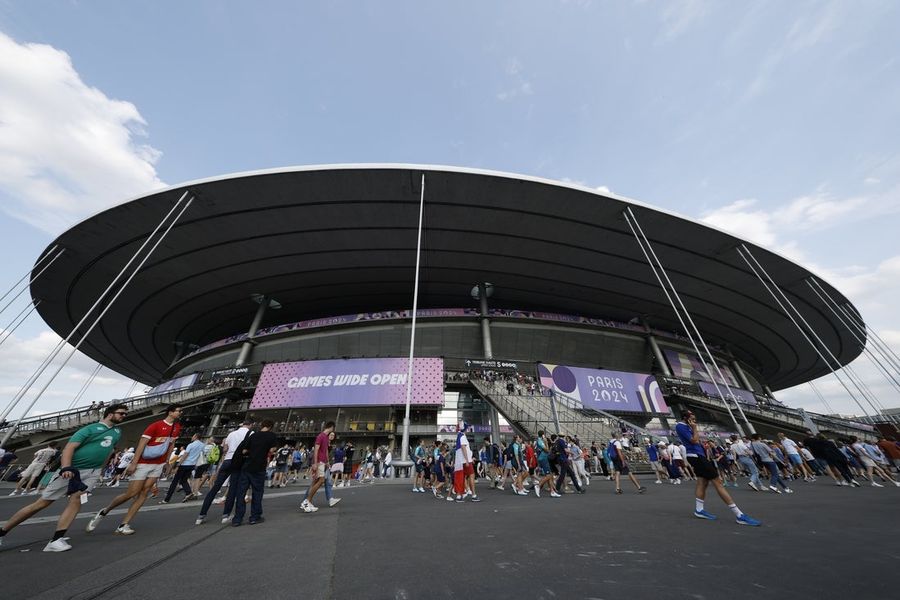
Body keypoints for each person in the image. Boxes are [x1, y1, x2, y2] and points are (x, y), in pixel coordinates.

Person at [0, 404, 127, 552]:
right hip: (73, 470)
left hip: (92, 472)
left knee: (76, 500)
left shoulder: (117, 431)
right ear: (110, 414)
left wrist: (100, 469)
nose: (124, 416)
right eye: (121, 413)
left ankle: (56, 539)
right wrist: (66, 467)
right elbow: (69, 448)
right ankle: (3, 531)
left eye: (125, 414)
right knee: (42, 503)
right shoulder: (89, 429)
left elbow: (109, 450)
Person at [86, 404, 183, 536]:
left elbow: (171, 445)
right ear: (170, 412)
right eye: (179, 411)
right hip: (144, 463)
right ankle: (104, 511)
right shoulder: (155, 425)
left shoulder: (177, 427)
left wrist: (167, 462)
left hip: (158, 464)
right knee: (132, 493)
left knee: (144, 492)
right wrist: (134, 463)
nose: (181, 413)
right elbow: (142, 444)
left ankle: (123, 524)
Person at [676, 411, 760, 526]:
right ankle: (739, 515)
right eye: (692, 419)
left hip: (698, 456)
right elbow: (694, 440)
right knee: (718, 482)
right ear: (685, 418)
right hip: (696, 456)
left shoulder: (687, 426)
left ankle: (699, 510)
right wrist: (695, 428)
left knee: (702, 482)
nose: (694, 421)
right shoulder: (680, 426)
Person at [232, 419, 277, 526]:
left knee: (241, 492)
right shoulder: (271, 436)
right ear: (270, 427)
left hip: (247, 466)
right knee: (257, 492)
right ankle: (254, 517)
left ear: (261, 425)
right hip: (259, 467)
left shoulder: (253, 435)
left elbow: (244, 451)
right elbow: (272, 450)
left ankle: (237, 518)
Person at [301, 421, 335, 513]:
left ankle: (308, 502)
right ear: (331, 427)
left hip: (322, 461)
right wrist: (315, 463)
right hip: (319, 462)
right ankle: (306, 501)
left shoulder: (325, 437)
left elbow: (325, 451)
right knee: (321, 480)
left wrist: (327, 462)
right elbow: (316, 450)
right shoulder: (321, 436)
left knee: (315, 481)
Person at [162, 432, 204, 503]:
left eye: (193, 436)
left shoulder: (191, 445)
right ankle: (189, 493)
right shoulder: (202, 445)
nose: (192, 437)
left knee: (174, 482)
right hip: (192, 465)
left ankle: (167, 499)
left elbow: (185, 455)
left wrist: (178, 465)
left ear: (196, 436)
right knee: (184, 480)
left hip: (184, 464)